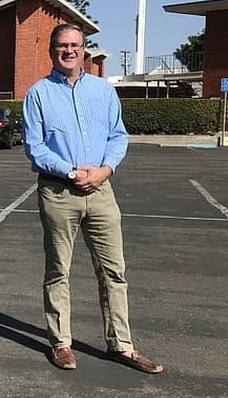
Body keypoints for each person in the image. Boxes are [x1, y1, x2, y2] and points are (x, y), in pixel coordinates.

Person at [22, 23, 163, 374]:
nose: (68, 51)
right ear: (52, 50)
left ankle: (122, 346)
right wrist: (72, 172)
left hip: (101, 191)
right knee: (59, 270)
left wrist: (105, 170)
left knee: (114, 271)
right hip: (58, 192)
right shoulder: (38, 94)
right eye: (61, 46)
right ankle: (61, 343)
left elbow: (118, 136)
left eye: (75, 45)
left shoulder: (102, 91)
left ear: (84, 49)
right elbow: (34, 147)